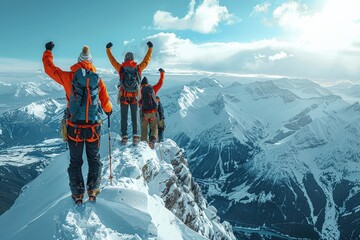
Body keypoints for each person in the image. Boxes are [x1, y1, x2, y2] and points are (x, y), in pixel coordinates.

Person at [42, 41, 112, 204]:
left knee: (75, 161)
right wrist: (108, 111)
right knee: (94, 159)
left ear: (79, 61)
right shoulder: (98, 80)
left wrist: (48, 51)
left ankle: (77, 193)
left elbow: (49, 69)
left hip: (74, 127)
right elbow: (106, 103)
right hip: (93, 128)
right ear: (91, 62)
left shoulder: (69, 77)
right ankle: (93, 190)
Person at [106, 41, 153, 145]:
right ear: (132, 59)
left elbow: (112, 61)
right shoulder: (138, 68)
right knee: (134, 116)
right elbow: (146, 60)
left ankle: (124, 136)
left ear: (125, 59)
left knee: (124, 117)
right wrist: (150, 48)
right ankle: (136, 136)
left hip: (123, 96)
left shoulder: (121, 68)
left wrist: (108, 50)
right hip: (134, 96)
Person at [139, 68, 165, 148]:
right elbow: (160, 83)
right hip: (153, 113)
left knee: (144, 129)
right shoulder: (152, 89)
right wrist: (162, 73)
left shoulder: (139, 91)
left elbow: (138, 103)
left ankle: (144, 145)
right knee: (154, 128)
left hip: (144, 114)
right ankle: (152, 141)